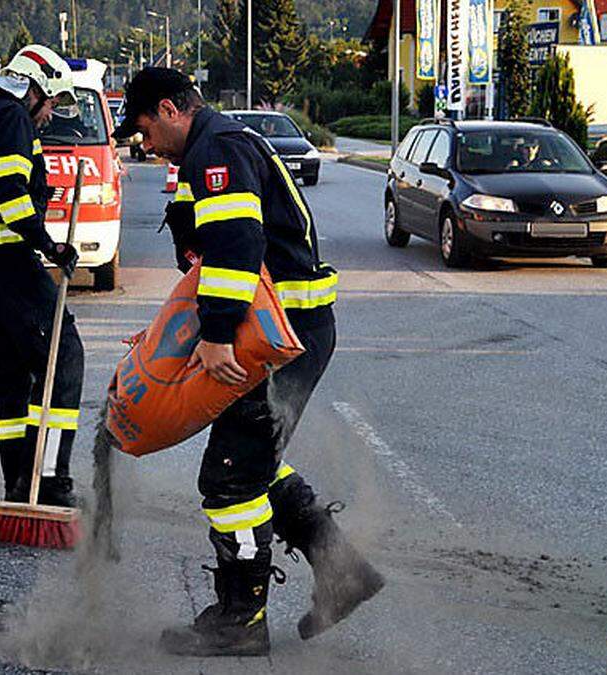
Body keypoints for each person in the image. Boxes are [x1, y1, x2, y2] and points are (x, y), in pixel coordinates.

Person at [114, 68, 384, 656]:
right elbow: (203, 268)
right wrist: (174, 333)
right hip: (274, 333)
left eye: (143, 129)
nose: (144, 143)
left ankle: (241, 619)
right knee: (254, 463)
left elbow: (236, 246)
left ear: (168, 109)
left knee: (230, 478)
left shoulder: (218, 151)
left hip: (278, 340)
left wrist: (211, 336)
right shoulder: (208, 153)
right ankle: (342, 572)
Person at [0, 45, 84, 507]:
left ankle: (17, 484)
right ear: (35, 88)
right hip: (8, 260)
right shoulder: (11, 118)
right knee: (62, 358)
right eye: (51, 103)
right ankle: (50, 482)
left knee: (8, 374)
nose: (49, 115)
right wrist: (51, 246)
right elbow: (9, 195)